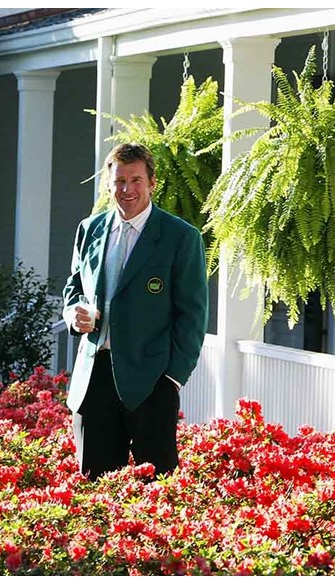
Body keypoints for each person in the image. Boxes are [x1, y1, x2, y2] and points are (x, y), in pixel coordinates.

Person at [62, 142, 208, 479]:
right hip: (94, 378)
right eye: (119, 181)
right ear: (109, 184)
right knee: (95, 489)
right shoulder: (90, 230)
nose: (127, 190)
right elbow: (73, 287)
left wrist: (172, 378)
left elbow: (193, 315)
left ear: (152, 182)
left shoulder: (181, 238)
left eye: (136, 180)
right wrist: (73, 313)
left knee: (156, 489)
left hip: (152, 379)